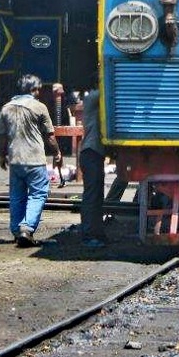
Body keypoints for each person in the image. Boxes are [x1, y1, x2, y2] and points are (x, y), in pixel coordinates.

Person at [0, 74, 61, 247]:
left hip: (15, 160)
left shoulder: (6, 108)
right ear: (33, 90)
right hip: (35, 159)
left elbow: (2, 137)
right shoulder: (39, 107)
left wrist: (2, 156)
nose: (39, 92)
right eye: (38, 89)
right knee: (38, 193)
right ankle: (27, 228)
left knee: (17, 196)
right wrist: (57, 153)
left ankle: (17, 230)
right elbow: (50, 136)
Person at [79, 89, 109, 247]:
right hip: (91, 152)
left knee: (97, 196)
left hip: (94, 154)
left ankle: (96, 233)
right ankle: (89, 235)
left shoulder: (93, 101)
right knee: (92, 197)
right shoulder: (92, 97)